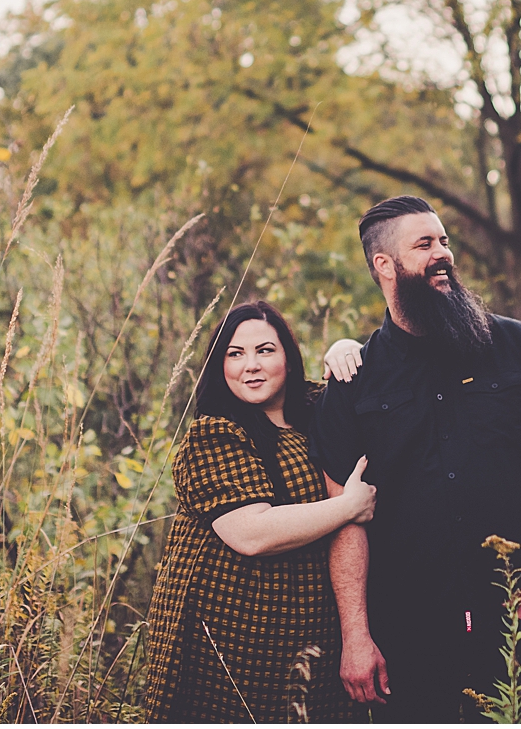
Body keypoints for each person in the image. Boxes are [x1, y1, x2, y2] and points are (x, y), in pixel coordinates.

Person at [312, 196, 521, 722]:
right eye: (423, 245)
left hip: (515, 618)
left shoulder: (518, 346)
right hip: (406, 630)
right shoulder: (356, 381)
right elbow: (343, 519)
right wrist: (357, 636)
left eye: (444, 241)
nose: (442, 253)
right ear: (384, 265)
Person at [142, 300, 375, 723]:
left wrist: (344, 347)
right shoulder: (213, 434)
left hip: (305, 639)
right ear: (220, 365)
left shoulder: (315, 415)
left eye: (265, 350)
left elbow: (357, 387)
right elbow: (251, 533)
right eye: (235, 354)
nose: (250, 365)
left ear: (288, 356)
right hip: (224, 643)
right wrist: (347, 507)